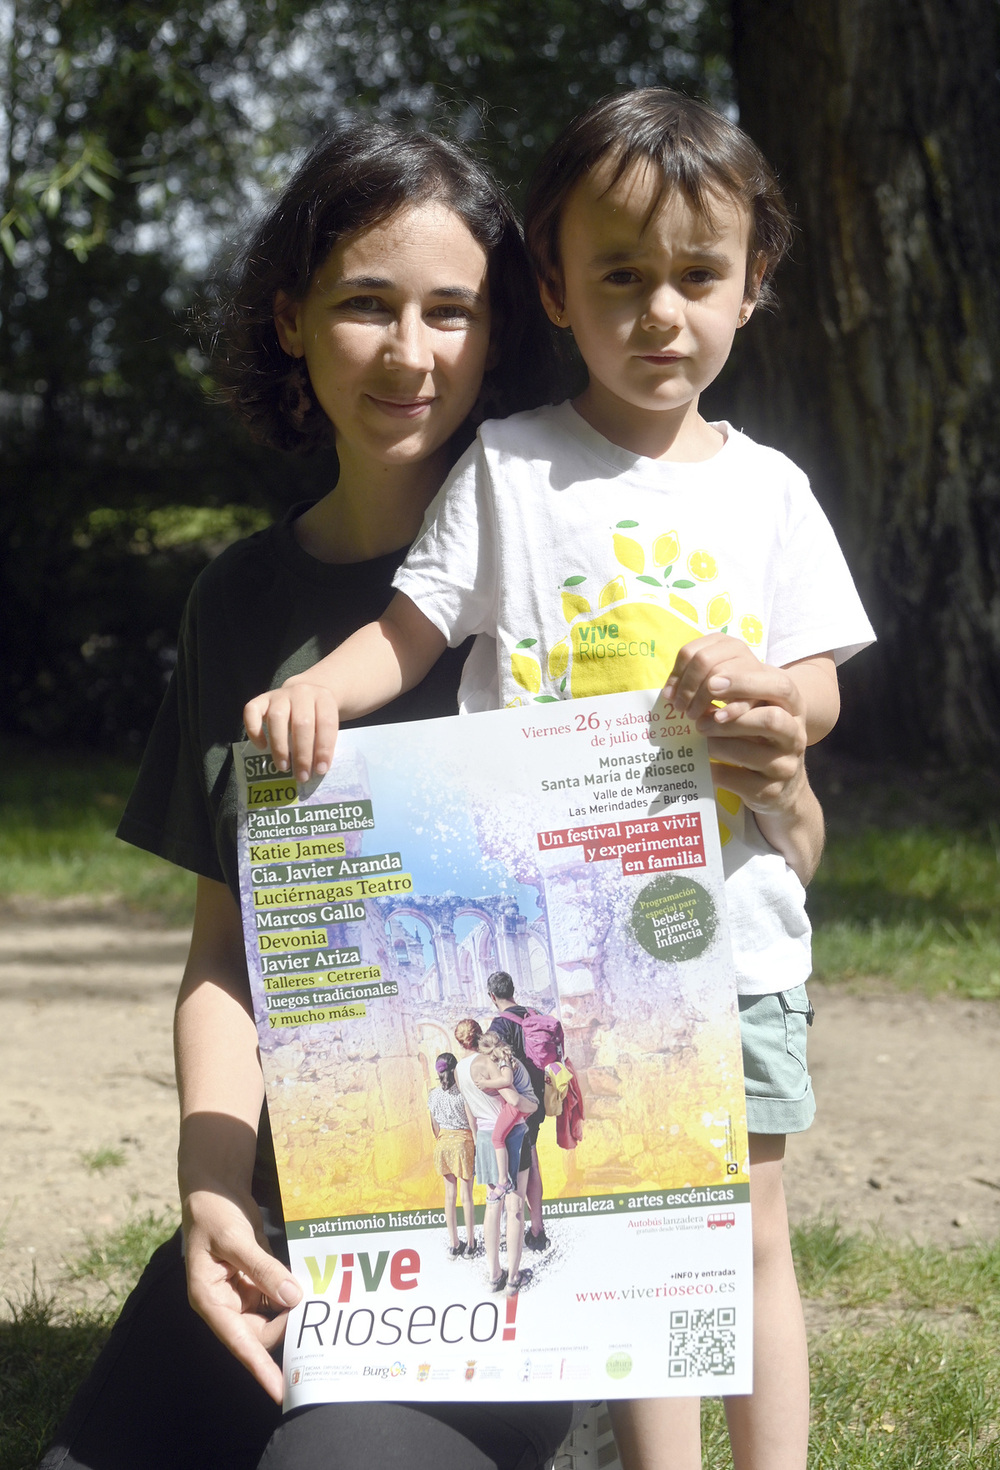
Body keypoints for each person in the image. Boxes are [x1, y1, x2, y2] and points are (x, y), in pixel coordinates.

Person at [244, 88, 876, 1470]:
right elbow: (406, 631)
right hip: (549, 947)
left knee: (750, 1231)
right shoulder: (512, 474)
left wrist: (782, 700)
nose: (662, 313)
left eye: (699, 276)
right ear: (556, 286)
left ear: (754, 285)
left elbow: (819, 679)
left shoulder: (770, 492)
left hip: (733, 936)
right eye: (622, 277)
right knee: (624, 1232)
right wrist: (317, 695)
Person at [37, 121, 574, 1470]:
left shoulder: (580, 563)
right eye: (365, 304)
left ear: (497, 330)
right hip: (290, 1214)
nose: (412, 352)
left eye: (452, 311)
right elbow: (225, 957)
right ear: (291, 318)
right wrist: (210, 1189)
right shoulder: (238, 605)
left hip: (513, 1232)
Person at [453, 1019, 535, 1297]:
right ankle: (513, 1278)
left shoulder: (459, 1070)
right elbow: (512, 1098)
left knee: (492, 1206)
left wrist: (477, 1140)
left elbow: (468, 1107)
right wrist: (532, 1106)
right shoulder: (490, 1059)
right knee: (515, 1206)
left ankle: (493, 1274)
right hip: (511, 1134)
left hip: (486, 1138)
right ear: (481, 1035)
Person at [485, 971, 553, 1253]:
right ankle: (537, 1228)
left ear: (492, 997)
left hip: (517, 1104)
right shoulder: (533, 1013)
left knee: (517, 1167)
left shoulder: (499, 1026)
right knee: (533, 1160)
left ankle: (517, 1225)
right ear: (513, 990)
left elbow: (499, 1069)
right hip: (539, 1097)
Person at [474, 1031, 537, 1200]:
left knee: (497, 1138)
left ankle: (503, 1181)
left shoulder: (502, 1060)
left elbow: (507, 1082)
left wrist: (485, 1083)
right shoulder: (503, 1058)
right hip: (520, 1103)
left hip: (520, 1102)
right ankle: (504, 1179)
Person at [427, 1052, 478, 1257]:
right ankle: (471, 1243)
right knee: (467, 1197)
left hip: (443, 1144)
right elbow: (472, 1124)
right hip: (463, 1144)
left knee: (450, 1196)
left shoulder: (432, 1095)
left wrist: (443, 1139)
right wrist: (477, 1146)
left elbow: (434, 1127)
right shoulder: (463, 1093)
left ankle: (454, 1243)